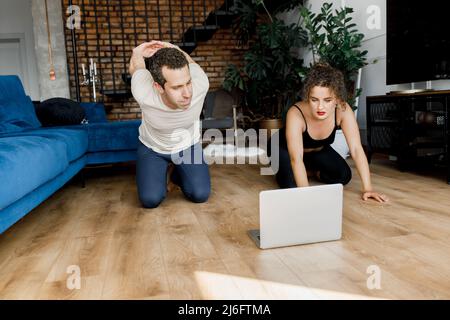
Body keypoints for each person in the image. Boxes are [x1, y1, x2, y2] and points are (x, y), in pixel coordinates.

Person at [271, 63, 389, 203]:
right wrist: (306, 196)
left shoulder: (343, 110)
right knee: (292, 185)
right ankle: (284, 171)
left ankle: (312, 171)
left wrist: (368, 188)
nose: (320, 107)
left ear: (337, 99)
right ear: (308, 96)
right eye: (314, 100)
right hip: (282, 148)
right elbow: (296, 159)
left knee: (343, 176)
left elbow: (356, 149)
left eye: (327, 100)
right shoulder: (295, 113)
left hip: (316, 151)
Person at [129, 41, 211, 208]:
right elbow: (136, 68)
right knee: (150, 200)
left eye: (188, 83)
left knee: (200, 194)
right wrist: (137, 52)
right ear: (158, 87)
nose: (187, 93)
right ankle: (161, 172)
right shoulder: (144, 92)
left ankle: (176, 175)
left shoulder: (201, 84)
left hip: (188, 145)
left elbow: (192, 65)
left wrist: (174, 48)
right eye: (177, 87)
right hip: (153, 148)